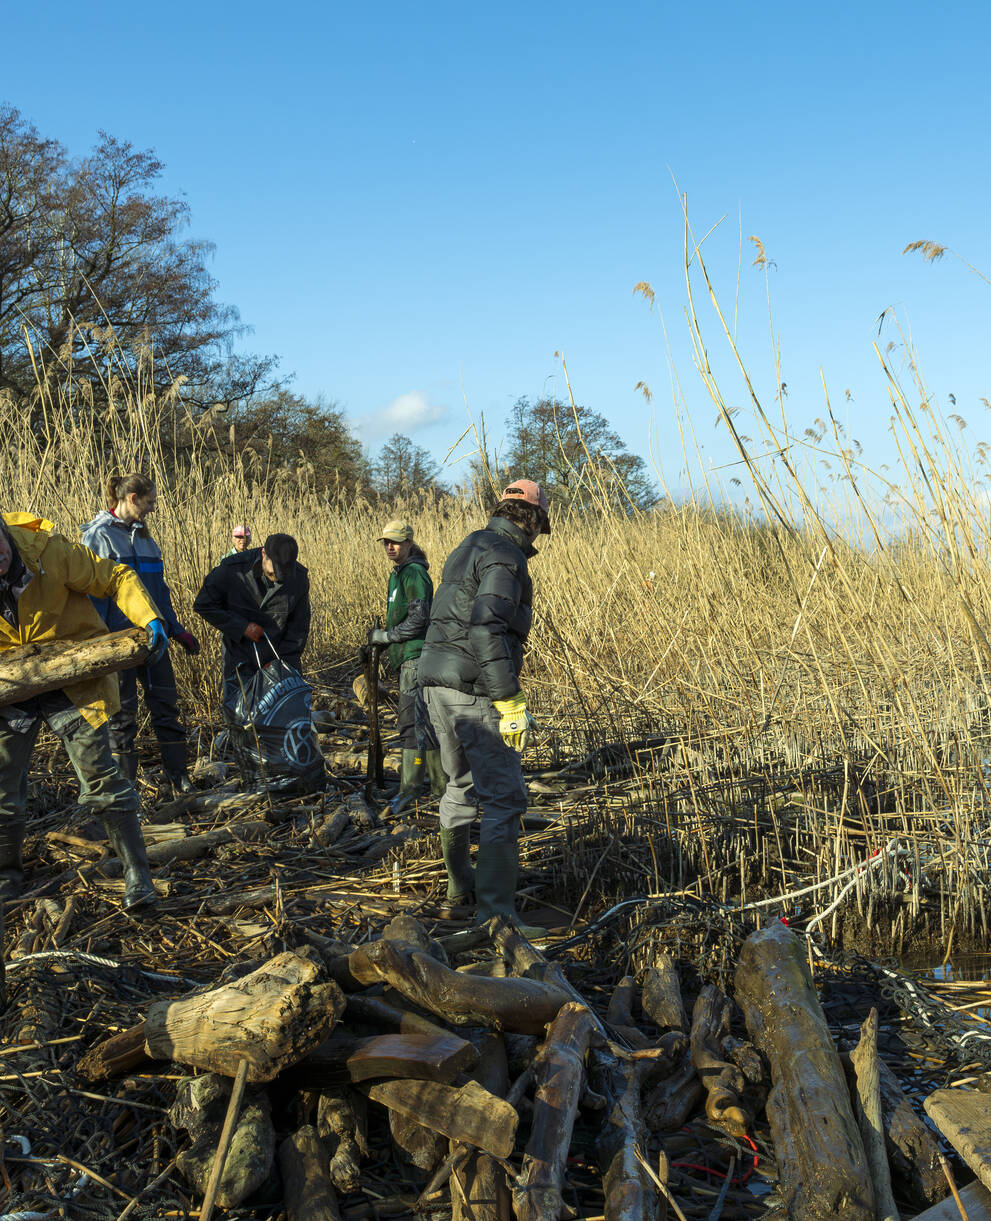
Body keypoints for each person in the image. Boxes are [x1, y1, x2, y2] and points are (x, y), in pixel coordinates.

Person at [0, 510, 163, 973]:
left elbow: (114, 577)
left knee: (100, 778)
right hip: (9, 683)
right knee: (3, 791)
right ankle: (7, 875)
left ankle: (137, 872)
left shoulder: (49, 551)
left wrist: (149, 619)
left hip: (70, 673)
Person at [418, 480, 550, 932]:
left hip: (435, 681)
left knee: (459, 786)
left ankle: (461, 891)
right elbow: (486, 629)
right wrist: (509, 698)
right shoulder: (506, 556)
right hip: (472, 688)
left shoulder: (469, 545)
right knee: (504, 799)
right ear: (532, 520)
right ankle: (497, 919)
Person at [81, 475, 199, 796]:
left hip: (154, 640)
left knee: (166, 707)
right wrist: (100, 643)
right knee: (121, 717)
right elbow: (91, 597)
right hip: (118, 644)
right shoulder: (98, 537)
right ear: (132, 498)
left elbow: (160, 593)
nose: (153, 507)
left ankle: (180, 779)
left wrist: (175, 629)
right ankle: (126, 789)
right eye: (149, 502)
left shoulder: (146, 539)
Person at [367, 520, 445, 806]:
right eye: (386, 542)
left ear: (410, 543)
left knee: (411, 722)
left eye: (396, 542)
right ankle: (438, 787)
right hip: (407, 658)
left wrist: (387, 636)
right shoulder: (397, 574)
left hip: (416, 657)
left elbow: (419, 619)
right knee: (424, 721)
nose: (390, 546)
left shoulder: (413, 574)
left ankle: (412, 788)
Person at [193, 533, 310, 707]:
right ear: (264, 553)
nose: (277, 577)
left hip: (280, 656)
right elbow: (203, 604)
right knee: (241, 714)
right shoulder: (232, 570)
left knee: (285, 714)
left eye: (282, 574)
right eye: (273, 572)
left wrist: (280, 664)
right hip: (239, 656)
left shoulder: (298, 578)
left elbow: (299, 628)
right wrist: (241, 627)